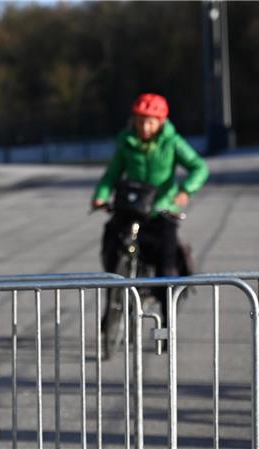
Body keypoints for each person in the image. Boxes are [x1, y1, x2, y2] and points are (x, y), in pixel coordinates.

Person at [91, 93, 209, 340]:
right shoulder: (126, 142)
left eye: (151, 121)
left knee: (167, 269)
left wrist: (185, 190)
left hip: (160, 211)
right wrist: (101, 195)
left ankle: (167, 325)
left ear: (161, 122)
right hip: (130, 208)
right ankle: (110, 309)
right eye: (140, 120)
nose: (145, 127)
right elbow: (112, 174)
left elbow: (200, 167)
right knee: (112, 248)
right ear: (133, 120)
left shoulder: (172, 142)